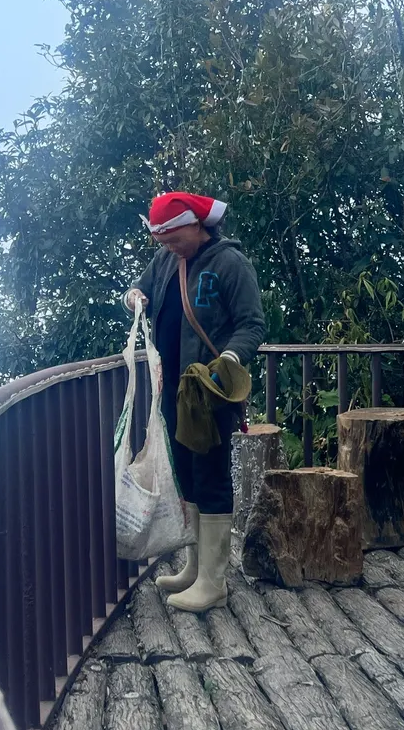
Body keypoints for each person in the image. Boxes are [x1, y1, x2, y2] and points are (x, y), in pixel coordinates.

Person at [123, 192, 265, 613]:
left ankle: (213, 582)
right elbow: (141, 288)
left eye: (173, 238)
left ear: (195, 225)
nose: (168, 246)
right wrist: (134, 297)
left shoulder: (229, 263)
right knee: (185, 474)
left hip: (210, 393)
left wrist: (228, 360)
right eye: (162, 240)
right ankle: (194, 568)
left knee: (211, 477)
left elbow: (252, 324)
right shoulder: (167, 259)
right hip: (173, 394)